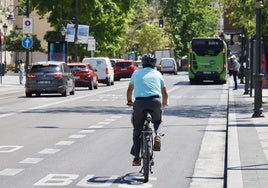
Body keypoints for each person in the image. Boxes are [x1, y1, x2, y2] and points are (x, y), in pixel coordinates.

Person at [126, 54, 168, 166]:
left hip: (139, 103)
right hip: (155, 102)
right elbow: (164, 93)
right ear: (154, 64)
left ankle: (136, 158)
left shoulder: (136, 73)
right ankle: (157, 135)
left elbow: (130, 90)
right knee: (158, 121)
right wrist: (164, 104)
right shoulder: (158, 74)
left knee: (137, 130)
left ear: (142, 63)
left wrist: (130, 101)